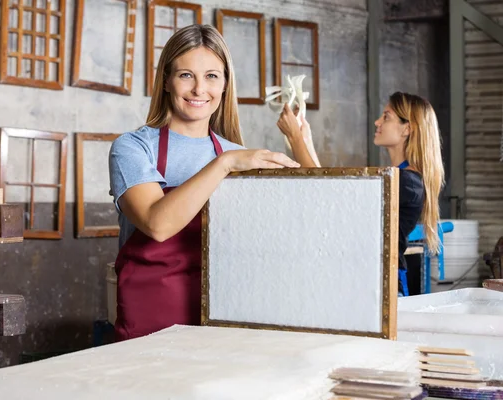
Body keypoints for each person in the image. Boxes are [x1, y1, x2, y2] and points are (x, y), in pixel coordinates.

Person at [108, 24, 299, 341]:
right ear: (167, 81)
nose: (199, 89)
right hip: (151, 323)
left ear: (225, 84)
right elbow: (158, 224)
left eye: (212, 76)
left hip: (228, 319)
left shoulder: (241, 156)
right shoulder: (132, 148)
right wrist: (223, 164)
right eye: (186, 75)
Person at [276, 92, 445, 296]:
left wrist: (295, 138)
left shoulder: (407, 183)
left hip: (384, 288)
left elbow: (322, 193)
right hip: (369, 281)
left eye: (386, 117)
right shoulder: (397, 177)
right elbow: (327, 189)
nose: (377, 122)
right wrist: (305, 139)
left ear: (407, 129)